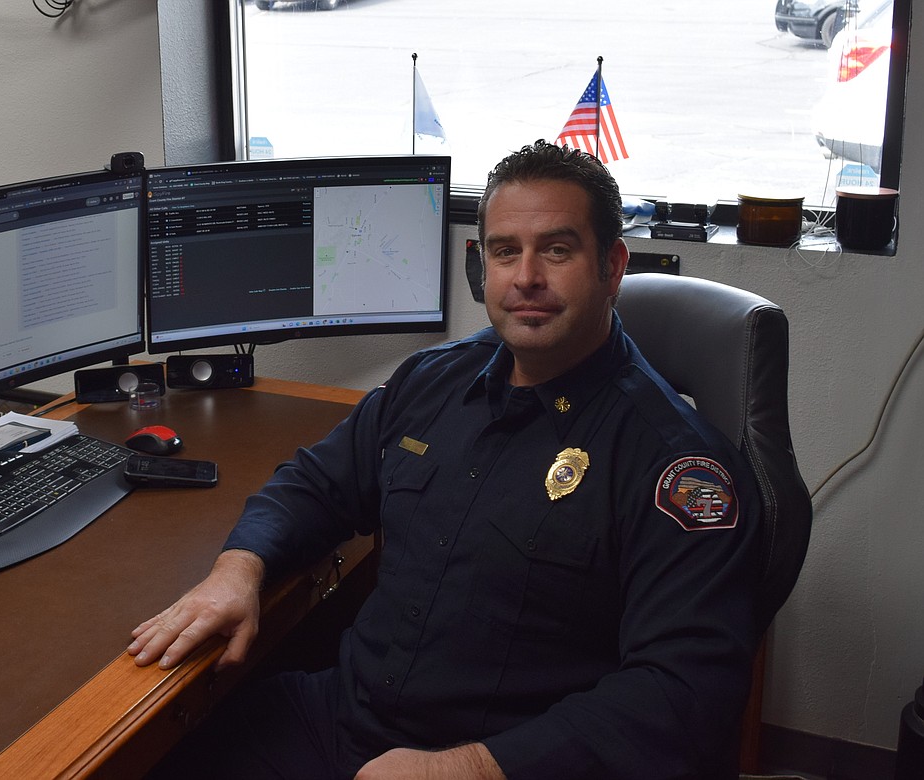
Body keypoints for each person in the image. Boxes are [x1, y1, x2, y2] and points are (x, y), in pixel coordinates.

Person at [127, 140, 762, 779]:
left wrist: (471, 769)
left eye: (558, 251)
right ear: (479, 263)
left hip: (507, 761)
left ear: (612, 265)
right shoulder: (433, 382)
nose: (526, 278)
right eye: (504, 251)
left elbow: (682, 694)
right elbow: (315, 482)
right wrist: (238, 569)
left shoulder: (677, 466)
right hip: (343, 722)